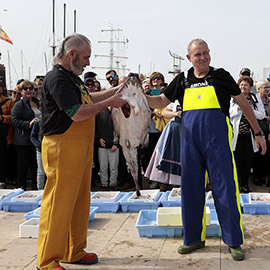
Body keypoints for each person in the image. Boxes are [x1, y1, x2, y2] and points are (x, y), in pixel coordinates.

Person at [146, 38, 266, 261]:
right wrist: (140, 99)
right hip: (190, 144)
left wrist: (258, 133)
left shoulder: (220, 76)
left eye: (206, 53)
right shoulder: (182, 80)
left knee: (226, 190)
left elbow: (243, 103)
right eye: (198, 54)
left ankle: (233, 240)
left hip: (217, 144)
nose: (203, 57)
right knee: (190, 191)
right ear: (189, 58)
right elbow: (162, 101)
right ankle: (193, 238)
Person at [37, 33, 126, 270]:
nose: (88, 63)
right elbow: (77, 112)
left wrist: (114, 91)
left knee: (78, 201)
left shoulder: (73, 78)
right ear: (72, 54)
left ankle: (73, 251)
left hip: (80, 147)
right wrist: (109, 103)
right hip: (62, 147)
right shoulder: (57, 78)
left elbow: (87, 99)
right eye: (86, 57)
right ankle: (47, 260)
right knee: (58, 203)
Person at [230, 76, 266, 192]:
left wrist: (248, 109)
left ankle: (245, 184)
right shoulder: (233, 98)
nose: (243, 87)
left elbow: (261, 115)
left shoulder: (255, 98)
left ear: (250, 87)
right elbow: (229, 113)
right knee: (237, 160)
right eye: (241, 85)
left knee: (248, 161)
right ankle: (238, 184)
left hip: (250, 136)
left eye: (245, 85)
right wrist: (238, 109)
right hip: (237, 135)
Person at [144, 100, 182, 191]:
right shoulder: (176, 99)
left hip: (189, 130)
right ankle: (165, 182)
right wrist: (176, 113)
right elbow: (165, 112)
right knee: (167, 154)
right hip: (174, 129)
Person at [11, 80, 39, 190]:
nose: (28, 90)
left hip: (36, 139)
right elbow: (14, 121)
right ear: (21, 91)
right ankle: (21, 187)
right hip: (23, 140)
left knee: (35, 165)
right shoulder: (19, 104)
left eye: (31, 88)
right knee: (23, 165)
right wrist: (29, 124)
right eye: (25, 89)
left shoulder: (38, 102)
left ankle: (36, 187)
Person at [95, 106, 119, 191]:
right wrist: (99, 139)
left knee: (113, 167)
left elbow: (120, 129)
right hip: (102, 145)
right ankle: (103, 184)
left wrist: (116, 143)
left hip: (114, 145)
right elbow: (95, 128)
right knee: (103, 167)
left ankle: (113, 184)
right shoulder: (99, 112)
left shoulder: (117, 112)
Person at [253, 80, 270, 186]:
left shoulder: (269, 101)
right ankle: (257, 177)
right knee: (258, 154)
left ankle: (265, 175)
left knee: (267, 154)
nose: (268, 89)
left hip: (268, 130)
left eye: (268, 87)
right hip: (258, 130)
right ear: (258, 89)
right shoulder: (254, 100)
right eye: (265, 87)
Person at [0, 80, 14, 188]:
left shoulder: (8, 102)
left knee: (2, 158)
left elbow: (13, 118)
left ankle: (2, 180)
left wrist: (2, 118)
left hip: (3, 135)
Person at [30, 115, 46, 190]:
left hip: (52, 148)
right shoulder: (39, 121)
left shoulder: (55, 119)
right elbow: (32, 136)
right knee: (41, 171)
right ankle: (40, 190)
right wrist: (39, 145)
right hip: (40, 150)